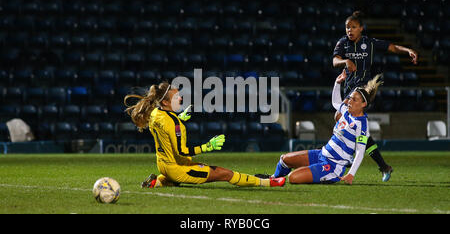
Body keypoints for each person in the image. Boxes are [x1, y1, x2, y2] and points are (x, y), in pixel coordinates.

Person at [123, 82, 286, 188]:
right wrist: (208, 146)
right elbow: (183, 151)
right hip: (176, 167)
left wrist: (178, 117)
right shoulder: (173, 123)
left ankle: (156, 182)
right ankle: (268, 182)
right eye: (176, 96)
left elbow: (165, 125)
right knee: (225, 173)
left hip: (163, 164)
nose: (180, 97)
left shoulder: (155, 113)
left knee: (182, 178)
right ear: (165, 102)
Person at [332, 11, 419, 182]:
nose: (350, 30)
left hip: (363, 89)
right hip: (348, 88)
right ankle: (383, 165)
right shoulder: (343, 43)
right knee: (361, 134)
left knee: (339, 115)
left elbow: (392, 47)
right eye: (348, 27)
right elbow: (335, 61)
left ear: (361, 28)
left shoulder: (369, 43)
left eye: (354, 27)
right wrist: (345, 62)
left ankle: (348, 156)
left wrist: (407, 50)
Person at [259, 70, 382, 185]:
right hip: (321, 154)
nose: (349, 101)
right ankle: (273, 179)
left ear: (363, 104)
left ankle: (323, 175)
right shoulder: (346, 112)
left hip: (333, 166)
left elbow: (360, 152)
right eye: (350, 98)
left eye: (354, 100)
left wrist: (351, 174)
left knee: (293, 178)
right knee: (284, 159)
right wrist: (337, 83)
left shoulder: (361, 124)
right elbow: (335, 103)